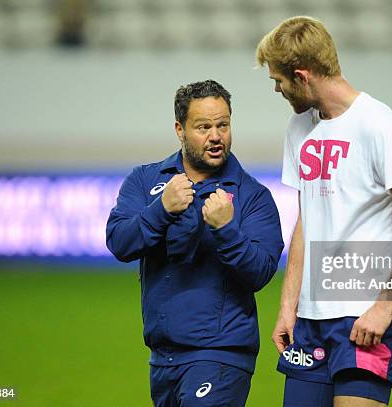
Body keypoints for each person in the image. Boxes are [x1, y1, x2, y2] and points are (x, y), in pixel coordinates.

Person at [256, 16, 392, 406]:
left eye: (279, 80)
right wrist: (288, 307)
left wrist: (383, 308)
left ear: (302, 75)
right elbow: (307, 219)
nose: (276, 89)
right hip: (309, 322)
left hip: (365, 319)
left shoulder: (379, 126)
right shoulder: (299, 128)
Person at [106, 80, 284, 406]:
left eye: (223, 125)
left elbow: (261, 272)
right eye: (203, 127)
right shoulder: (146, 180)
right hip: (162, 358)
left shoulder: (253, 196)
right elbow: (119, 242)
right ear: (180, 129)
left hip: (221, 356)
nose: (216, 136)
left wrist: (227, 229)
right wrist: (161, 210)